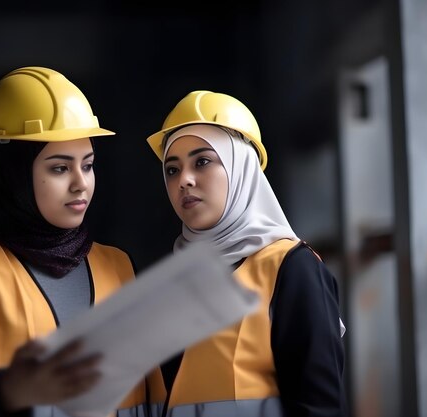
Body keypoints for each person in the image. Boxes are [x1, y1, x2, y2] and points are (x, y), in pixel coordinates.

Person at [0, 66, 155, 417]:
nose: (80, 184)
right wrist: (10, 389)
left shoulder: (118, 266)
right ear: (14, 173)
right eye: (59, 168)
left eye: (87, 165)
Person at [144, 90, 348, 417]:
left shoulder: (291, 269)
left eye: (203, 161)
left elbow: (318, 407)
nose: (185, 180)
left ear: (243, 169)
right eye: (172, 169)